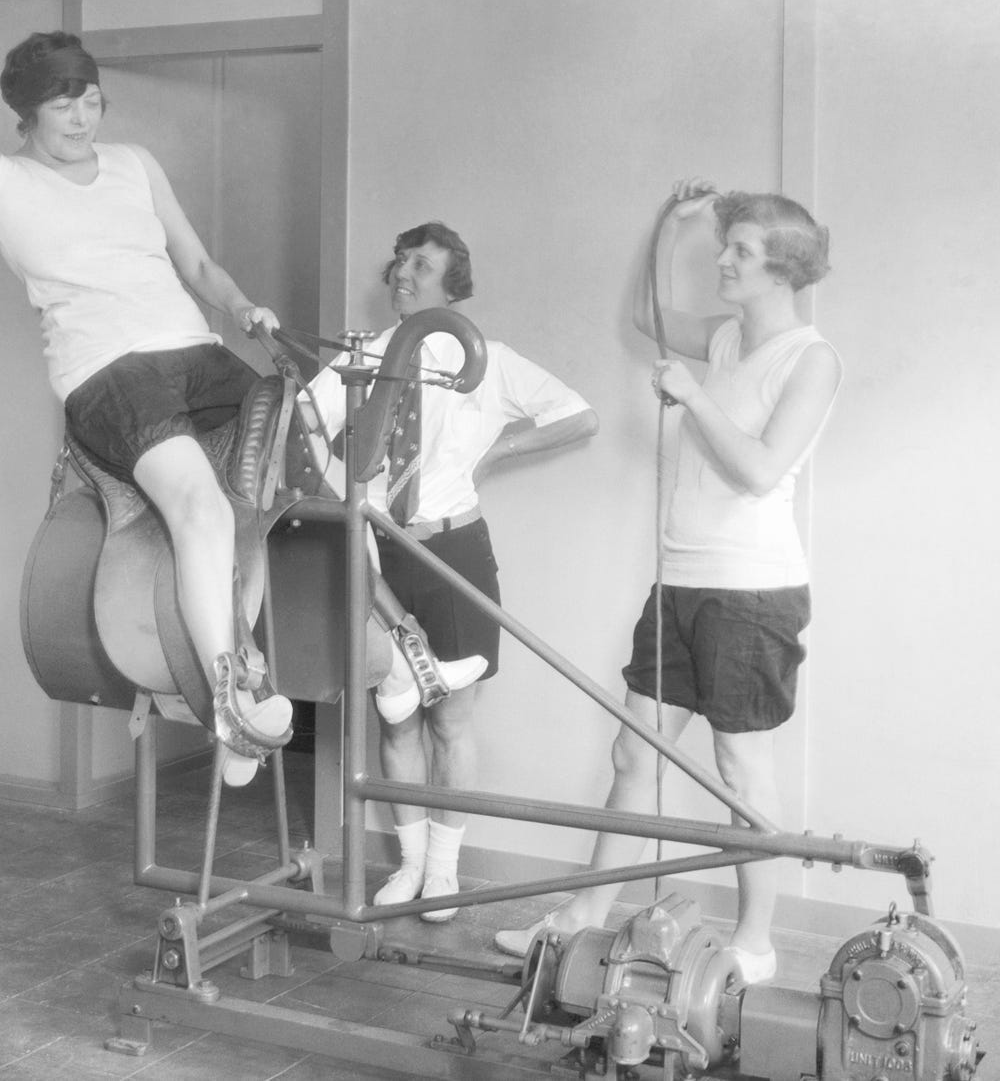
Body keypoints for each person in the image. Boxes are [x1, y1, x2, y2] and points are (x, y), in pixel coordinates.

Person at [0, 0, 292, 786]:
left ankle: (379, 651)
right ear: (27, 117)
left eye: (92, 102)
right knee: (199, 506)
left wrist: (243, 307)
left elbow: (196, 265)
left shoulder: (135, 166)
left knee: (317, 430)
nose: (82, 119)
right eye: (64, 106)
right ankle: (224, 696)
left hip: (198, 352)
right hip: (110, 376)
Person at [495, 182, 842, 984]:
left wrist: (690, 399)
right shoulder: (724, 341)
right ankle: (582, 913)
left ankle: (756, 940)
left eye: (740, 252)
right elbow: (652, 316)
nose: (723, 259)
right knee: (633, 752)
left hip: (752, 594)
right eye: (725, 245)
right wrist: (665, 227)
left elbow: (759, 470)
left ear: (782, 272)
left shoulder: (811, 360)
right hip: (682, 581)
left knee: (741, 773)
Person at [305, 222, 598, 921]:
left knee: (451, 718)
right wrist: (347, 488)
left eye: (422, 264)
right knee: (395, 713)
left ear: (452, 283)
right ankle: (408, 866)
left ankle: (444, 873)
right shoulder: (366, 354)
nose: (403, 273)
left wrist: (489, 457)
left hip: (453, 547)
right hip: (378, 551)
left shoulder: (485, 360)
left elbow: (578, 415)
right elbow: (305, 419)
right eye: (400, 261)